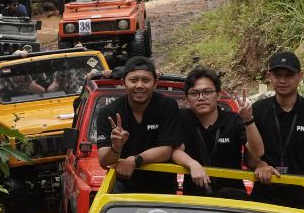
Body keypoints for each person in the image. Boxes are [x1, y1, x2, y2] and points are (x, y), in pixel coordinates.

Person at [247, 50, 304, 209]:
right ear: (270, 77)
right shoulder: (257, 111)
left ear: (300, 76)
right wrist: (260, 165)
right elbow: (247, 155)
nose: (282, 80)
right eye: (277, 75)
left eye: (288, 75)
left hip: (300, 197)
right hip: (264, 195)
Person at [170, 67, 266, 199]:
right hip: (193, 199)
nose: (201, 98)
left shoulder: (233, 120)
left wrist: (248, 120)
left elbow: (258, 152)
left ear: (219, 95)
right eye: (194, 93)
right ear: (187, 97)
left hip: (232, 198)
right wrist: (192, 164)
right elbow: (176, 151)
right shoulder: (182, 118)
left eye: (207, 92)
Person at [97, 56, 183, 194]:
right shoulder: (108, 112)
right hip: (122, 186)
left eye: (146, 80)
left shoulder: (167, 106)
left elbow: (166, 150)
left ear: (155, 83)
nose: (139, 85)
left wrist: (134, 160)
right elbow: (104, 161)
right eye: (133, 80)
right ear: (123, 82)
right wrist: (115, 147)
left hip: (162, 186)